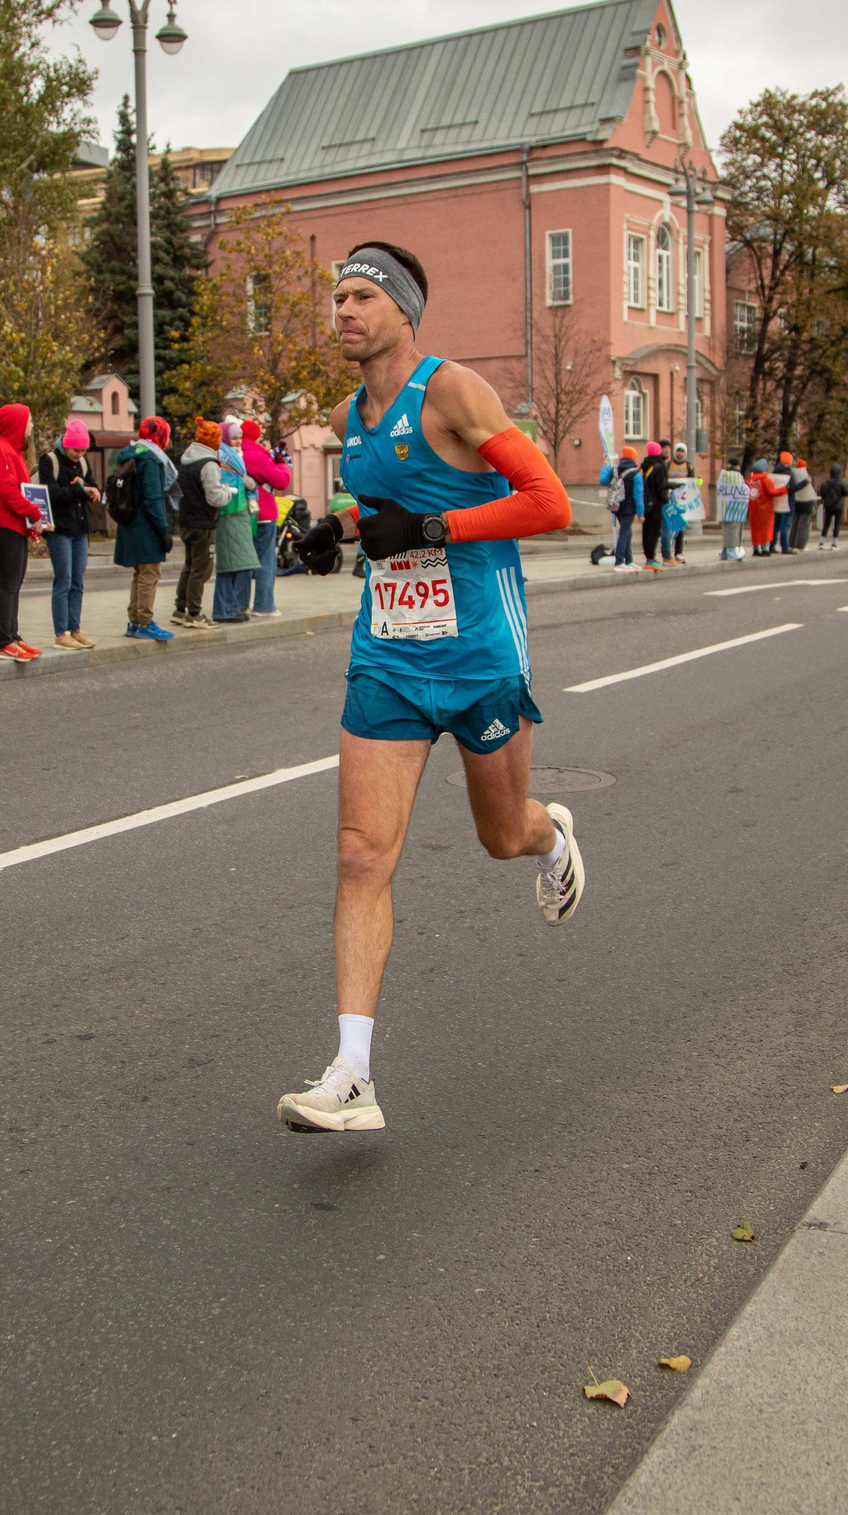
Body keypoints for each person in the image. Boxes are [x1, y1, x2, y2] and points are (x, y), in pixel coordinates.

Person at [275, 240, 582, 1135]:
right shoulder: (351, 413)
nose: (343, 310)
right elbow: (383, 509)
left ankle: (552, 836)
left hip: (480, 650)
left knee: (501, 834)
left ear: (404, 311)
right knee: (360, 854)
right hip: (389, 653)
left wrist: (434, 527)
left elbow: (550, 501)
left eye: (362, 296)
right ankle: (352, 1074)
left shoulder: (453, 391)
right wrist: (338, 527)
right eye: (338, 296)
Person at [0, 402, 44, 662]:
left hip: (14, 524)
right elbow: (8, 492)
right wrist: (35, 512)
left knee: (15, 583)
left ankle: (13, 635)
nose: (31, 425)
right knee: (8, 584)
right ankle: (4, 640)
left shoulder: (14, 451)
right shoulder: (3, 451)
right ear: (17, 423)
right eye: (28, 420)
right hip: (3, 524)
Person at [31, 418, 97, 651]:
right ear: (66, 445)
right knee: (64, 580)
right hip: (59, 529)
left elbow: (92, 486)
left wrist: (91, 490)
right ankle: (61, 633)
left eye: (83, 450)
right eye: (75, 450)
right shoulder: (49, 461)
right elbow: (52, 493)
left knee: (78, 581)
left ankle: (75, 628)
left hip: (80, 528)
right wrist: (78, 489)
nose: (79, 454)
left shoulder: (83, 462)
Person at [113, 416, 178, 642]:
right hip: (146, 527)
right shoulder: (150, 460)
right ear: (161, 436)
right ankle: (144, 622)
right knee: (150, 573)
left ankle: (134, 621)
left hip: (130, 523)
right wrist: (164, 530)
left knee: (140, 574)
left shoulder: (131, 454)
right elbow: (153, 499)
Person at [171, 419, 231, 628]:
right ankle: (194, 613)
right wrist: (227, 492)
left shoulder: (187, 460)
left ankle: (180, 609)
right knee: (202, 568)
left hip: (186, 520)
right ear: (215, 441)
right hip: (204, 523)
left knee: (189, 566)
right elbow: (214, 497)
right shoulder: (209, 464)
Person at [211, 414, 260, 623]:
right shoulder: (223, 454)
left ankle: (229, 607)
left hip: (236, 513)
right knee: (230, 565)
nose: (238, 441)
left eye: (240, 437)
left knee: (236, 564)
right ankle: (224, 610)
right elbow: (225, 483)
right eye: (234, 438)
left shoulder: (230, 453)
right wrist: (246, 484)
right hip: (231, 512)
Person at [241, 421, 290, 616]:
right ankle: (264, 605)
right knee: (265, 559)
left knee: (243, 560)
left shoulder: (233, 454)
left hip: (241, 513)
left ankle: (240, 604)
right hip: (263, 512)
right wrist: (282, 464)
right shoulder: (259, 457)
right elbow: (281, 481)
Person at [600, 448, 641, 570]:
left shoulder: (615, 469)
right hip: (629, 508)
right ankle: (619, 561)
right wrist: (641, 513)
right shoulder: (636, 474)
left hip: (616, 506)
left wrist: (605, 466)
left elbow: (603, 481)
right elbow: (638, 495)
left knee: (627, 532)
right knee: (625, 532)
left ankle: (629, 560)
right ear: (634, 457)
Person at [638, 440, 669, 571]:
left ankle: (648, 556)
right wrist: (666, 500)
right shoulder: (659, 466)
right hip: (656, 504)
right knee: (654, 531)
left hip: (645, 503)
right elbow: (660, 487)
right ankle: (651, 559)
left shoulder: (643, 466)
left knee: (646, 530)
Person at [785, 453, 818, 553]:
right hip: (806, 504)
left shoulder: (793, 475)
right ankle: (801, 544)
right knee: (804, 526)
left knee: (795, 524)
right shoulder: (806, 477)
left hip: (797, 503)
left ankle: (792, 543)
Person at [819, 464, 847, 549]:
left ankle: (822, 542)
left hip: (828, 505)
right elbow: (846, 492)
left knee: (826, 524)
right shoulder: (842, 482)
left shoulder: (826, 482)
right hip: (838, 505)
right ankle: (834, 543)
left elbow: (822, 493)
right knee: (837, 524)